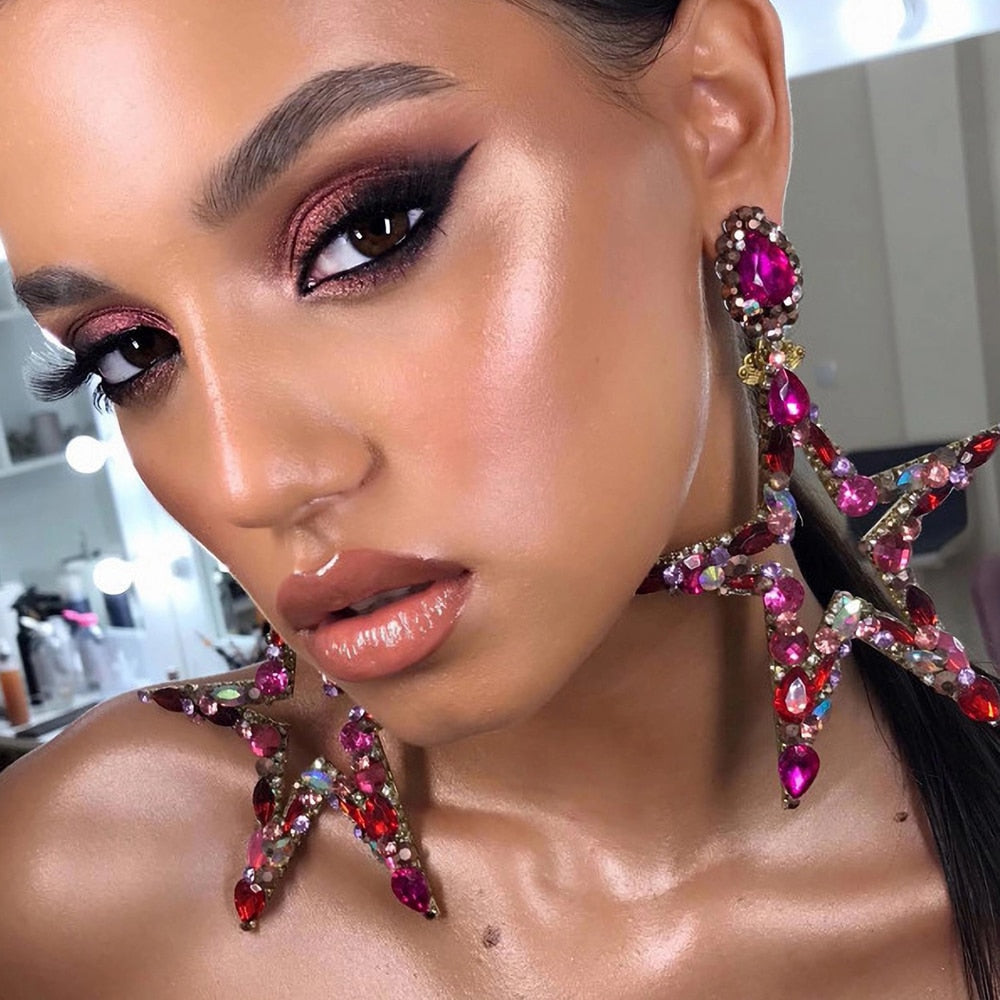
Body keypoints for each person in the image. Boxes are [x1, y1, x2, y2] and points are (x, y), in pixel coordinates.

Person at [0, 1, 998, 996]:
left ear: (718, 112)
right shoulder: (76, 887)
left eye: (366, 234)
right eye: (130, 352)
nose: (249, 479)